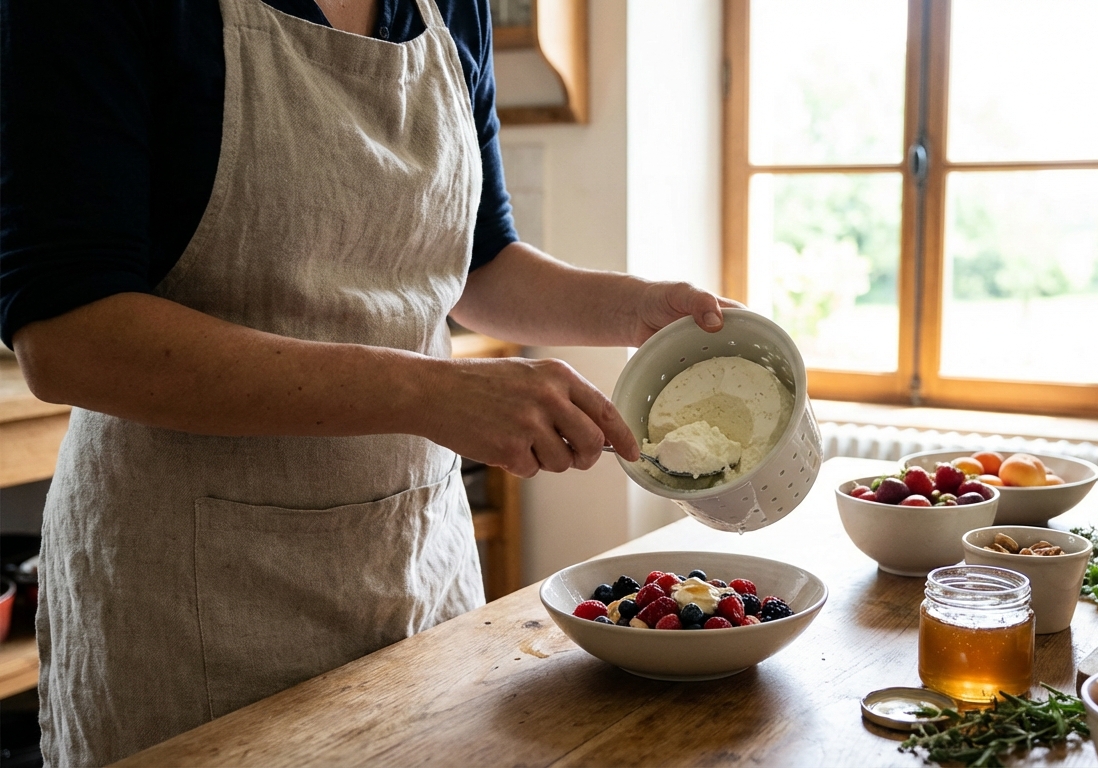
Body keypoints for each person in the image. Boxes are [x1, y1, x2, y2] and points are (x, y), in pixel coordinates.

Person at [0, 0, 736, 763]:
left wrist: (637, 307)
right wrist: (429, 392)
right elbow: (66, 336)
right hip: (192, 594)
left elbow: (478, 262)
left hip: (414, 560)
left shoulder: (452, 8)